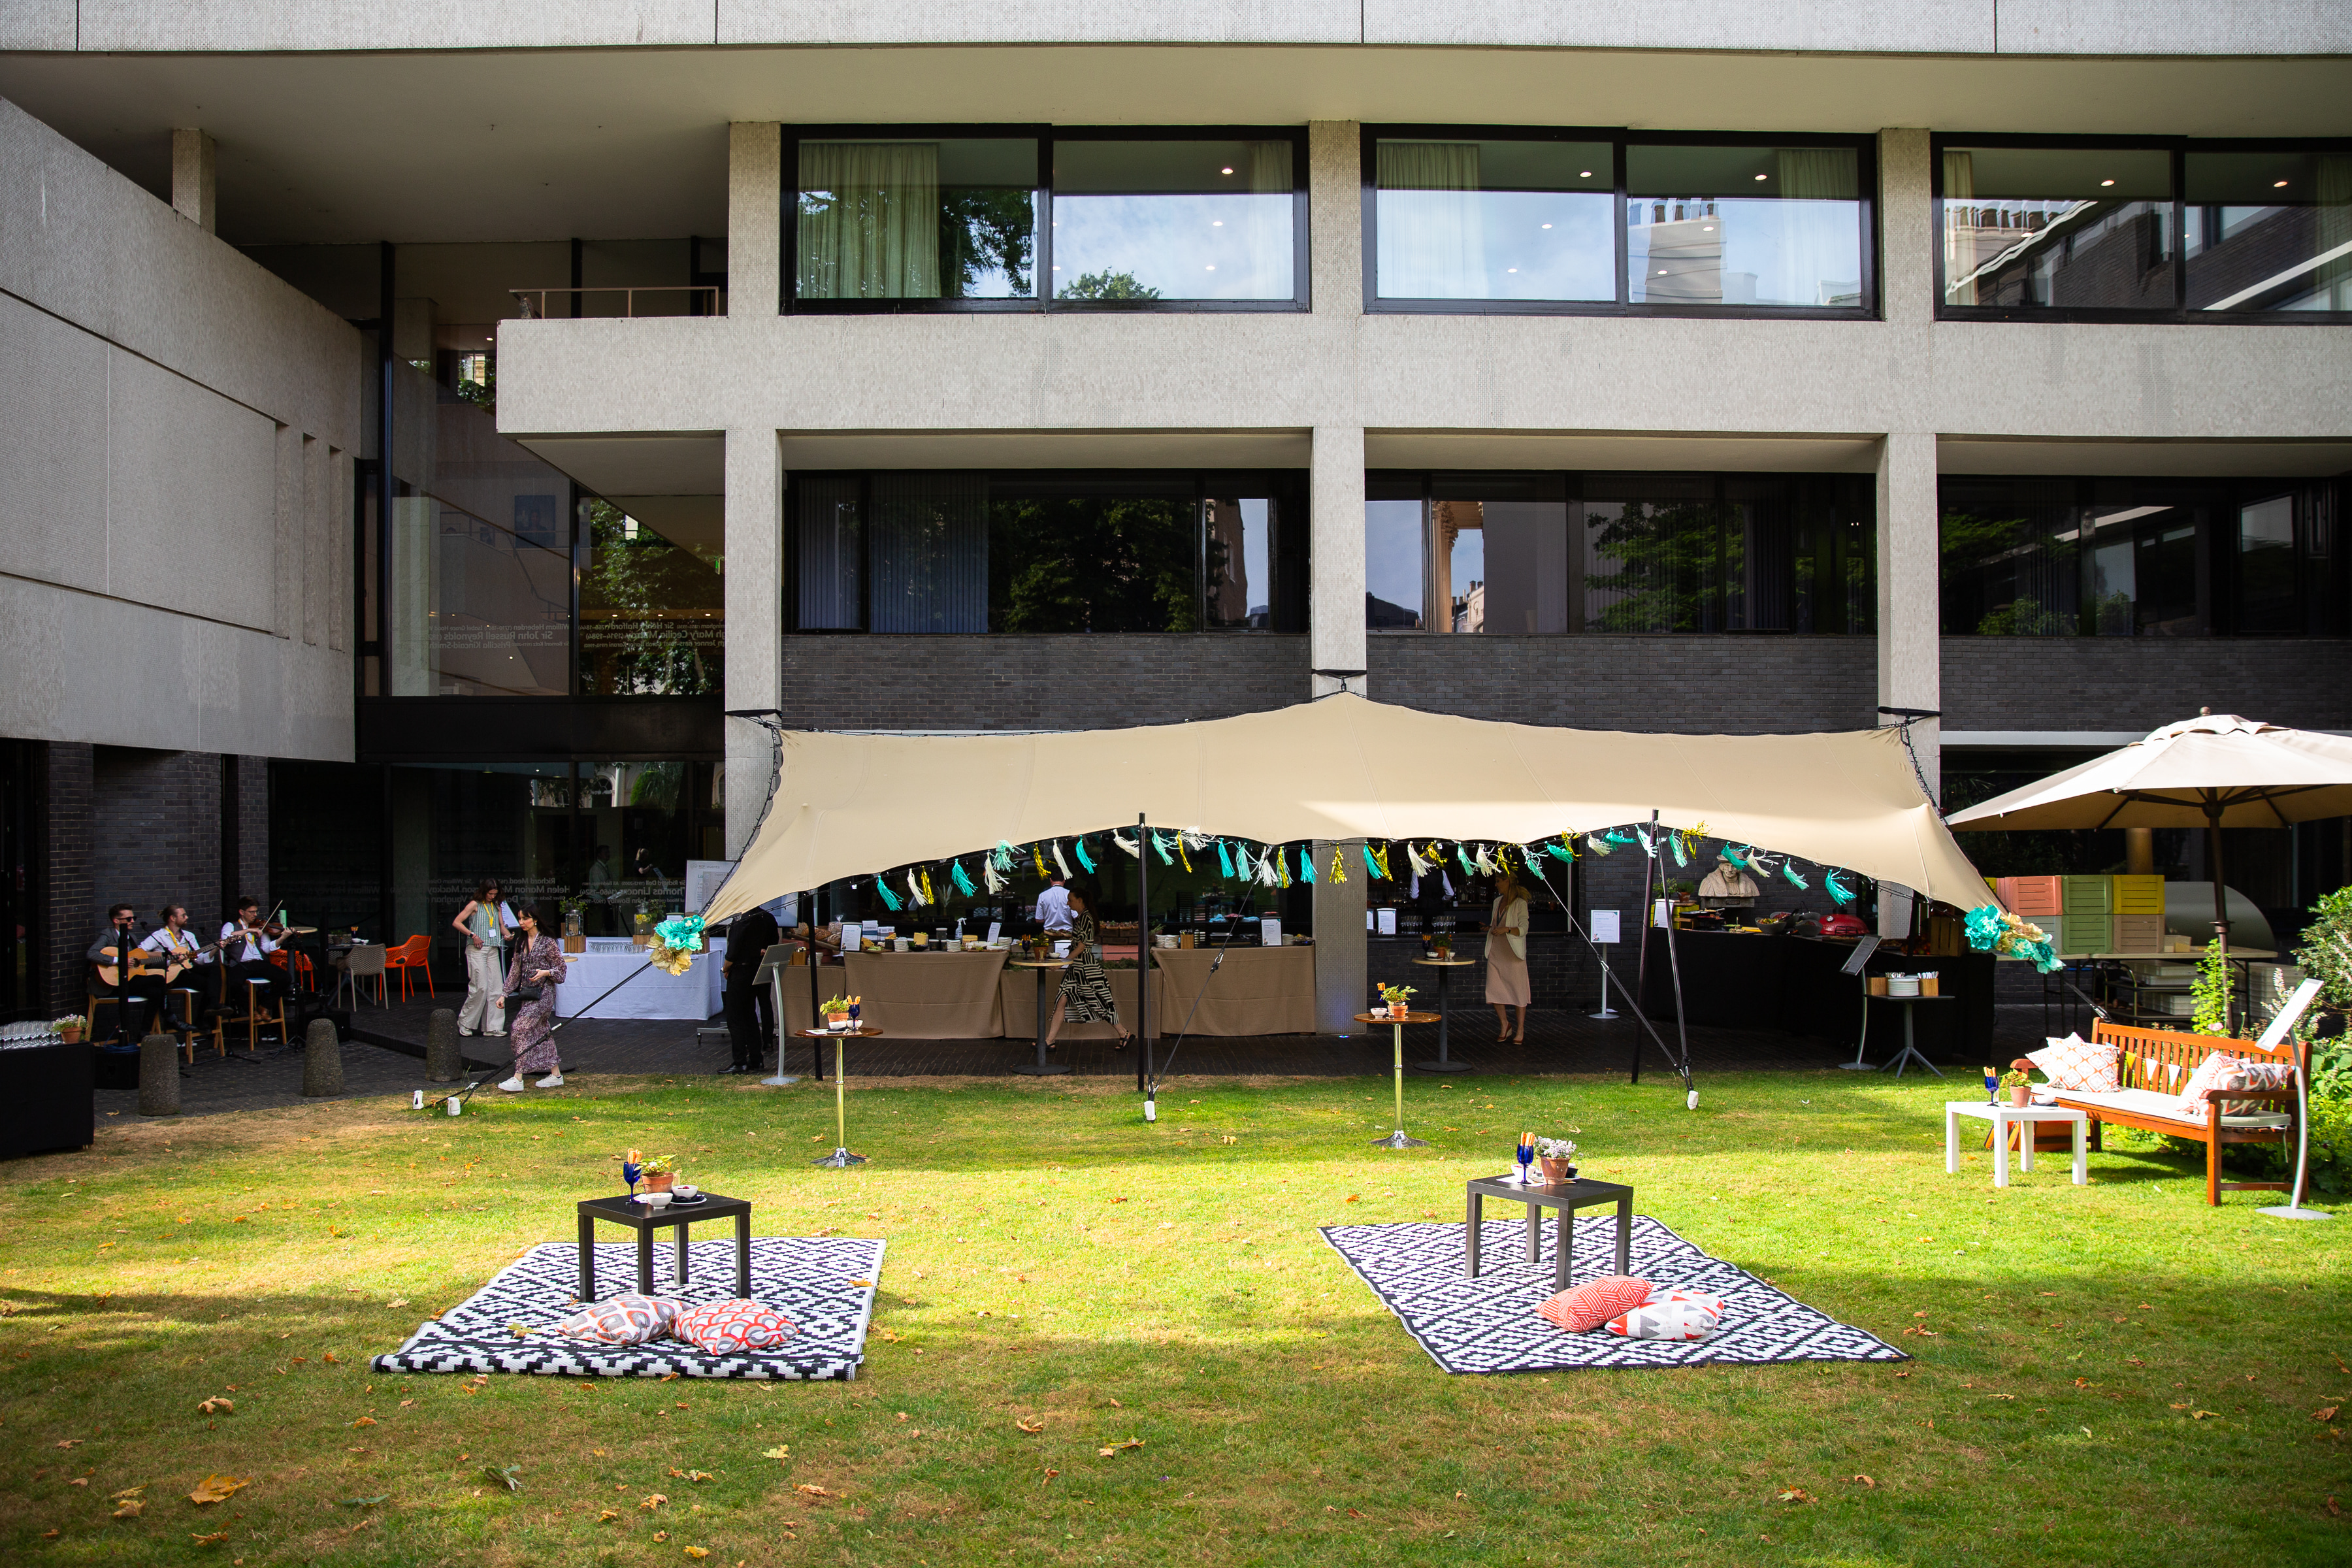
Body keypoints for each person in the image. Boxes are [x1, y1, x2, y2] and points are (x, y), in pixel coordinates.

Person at [1043, 885, 1130, 1051]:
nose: (1068, 904)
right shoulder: (1083, 918)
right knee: (1062, 1001)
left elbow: (1083, 945)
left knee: (1100, 1003)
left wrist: (1063, 962)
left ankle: (1123, 1032)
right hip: (1077, 969)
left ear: (1080, 901)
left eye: (1070, 900)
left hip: (1085, 970)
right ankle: (1050, 1040)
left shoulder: (1086, 919)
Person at [497, 904, 568, 1092]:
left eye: (525, 918)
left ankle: (518, 1077)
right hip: (528, 994)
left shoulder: (547, 942)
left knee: (520, 1028)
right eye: (520, 919)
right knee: (543, 1033)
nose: (522, 922)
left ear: (535, 919)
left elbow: (561, 971)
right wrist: (504, 993)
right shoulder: (521, 943)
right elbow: (515, 971)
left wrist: (545, 972)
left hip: (544, 994)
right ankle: (556, 1075)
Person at [138, 904, 215, 1043]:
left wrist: (215, 948)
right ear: (173, 918)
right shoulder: (159, 936)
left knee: (213, 973)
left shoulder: (189, 936)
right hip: (173, 973)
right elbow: (140, 953)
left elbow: (199, 959)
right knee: (208, 984)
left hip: (187, 969)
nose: (187, 918)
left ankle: (206, 1013)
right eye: (183, 915)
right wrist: (168, 958)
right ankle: (204, 1019)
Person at [719, 902, 781, 1075]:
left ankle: (740, 1061)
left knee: (735, 1018)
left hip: (741, 971)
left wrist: (726, 968)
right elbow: (773, 944)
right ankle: (756, 1059)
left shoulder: (742, 920)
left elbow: (733, 950)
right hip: (758, 970)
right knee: (750, 1015)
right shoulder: (768, 918)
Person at [88, 903, 163, 1042]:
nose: (133, 921)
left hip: (128, 982)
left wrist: (166, 958)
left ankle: (144, 1032)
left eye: (133, 918)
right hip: (111, 984)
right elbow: (92, 953)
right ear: (116, 921)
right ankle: (170, 1017)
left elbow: (137, 961)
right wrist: (118, 960)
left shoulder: (132, 937)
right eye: (129, 919)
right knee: (158, 979)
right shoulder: (107, 935)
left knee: (156, 992)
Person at [450, 881, 515, 1038]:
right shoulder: (475, 905)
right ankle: (465, 1023)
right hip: (476, 949)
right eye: (490, 894)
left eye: (495, 894)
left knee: (496, 988)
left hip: (493, 949)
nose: (492, 897)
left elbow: (501, 926)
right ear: (484, 891)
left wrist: (507, 934)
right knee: (480, 987)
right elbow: (457, 922)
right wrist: (472, 935)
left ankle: (493, 1027)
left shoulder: (496, 906)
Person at [1482, 872, 1531, 1044]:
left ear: (1507, 881)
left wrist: (1508, 930)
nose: (1496, 885)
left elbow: (1524, 928)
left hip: (1513, 954)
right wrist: (1490, 928)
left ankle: (1521, 1028)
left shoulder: (1520, 903)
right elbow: (1498, 924)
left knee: (1518, 992)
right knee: (1494, 990)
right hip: (1496, 951)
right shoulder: (1497, 902)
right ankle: (1505, 1025)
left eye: (1498, 881)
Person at [219, 897, 285, 1016]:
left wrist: (282, 938)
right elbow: (226, 938)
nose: (255, 915)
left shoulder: (260, 927)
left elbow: (266, 948)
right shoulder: (231, 926)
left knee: (285, 978)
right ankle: (251, 1011)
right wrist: (248, 930)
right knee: (233, 984)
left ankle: (264, 1006)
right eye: (251, 912)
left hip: (258, 963)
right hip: (240, 964)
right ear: (242, 912)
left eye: (256, 912)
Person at [1034, 870, 1073, 936]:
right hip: (1067, 933)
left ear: (1051, 880)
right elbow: (1076, 916)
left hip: (1049, 933)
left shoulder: (1043, 896)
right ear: (1064, 880)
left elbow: (1039, 920)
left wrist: (1050, 918)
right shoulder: (1070, 895)